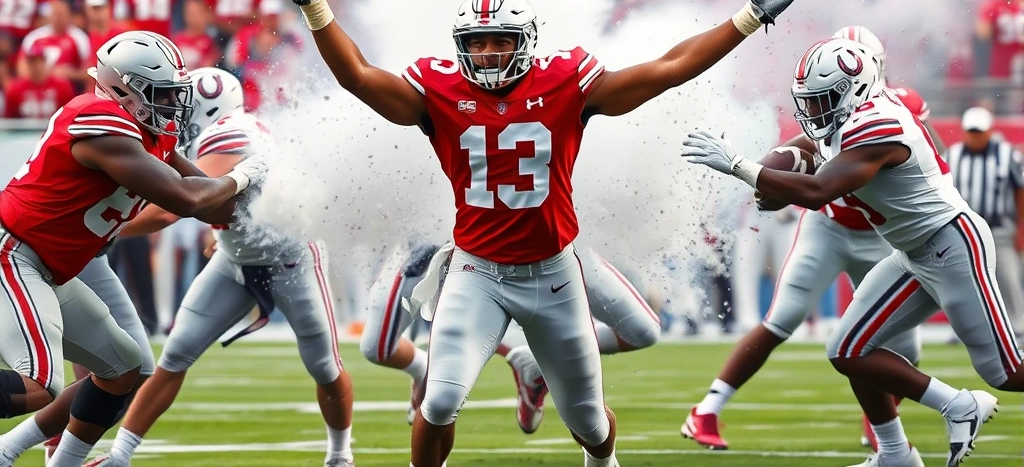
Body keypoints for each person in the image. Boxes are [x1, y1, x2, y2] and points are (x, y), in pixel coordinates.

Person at [259, 0, 818, 467]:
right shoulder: (440, 88)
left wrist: (748, 18)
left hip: (553, 273)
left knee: (589, 422)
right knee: (441, 399)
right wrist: (315, 5)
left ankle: (602, 462)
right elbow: (358, 75)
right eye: (477, 45)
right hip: (475, 271)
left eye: (501, 43)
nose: (489, 56)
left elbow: (669, 67)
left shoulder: (566, 81)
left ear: (526, 41)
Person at [683, 37, 1023, 467]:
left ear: (855, 89)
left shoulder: (877, 123)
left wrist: (740, 165)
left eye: (823, 99)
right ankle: (900, 452)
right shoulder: (849, 120)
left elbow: (820, 189)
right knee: (848, 350)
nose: (815, 110)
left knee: (1006, 373)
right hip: (912, 251)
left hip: (951, 243)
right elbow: (805, 156)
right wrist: (767, 176)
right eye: (810, 100)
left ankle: (958, 406)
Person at [0, 31, 263, 467]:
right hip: (14, 253)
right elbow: (186, 199)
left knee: (125, 368)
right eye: (161, 94)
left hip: (51, 267)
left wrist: (259, 185)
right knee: (39, 385)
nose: (171, 105)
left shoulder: (146, 133)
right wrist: (245, 175)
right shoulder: (99, 120)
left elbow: (212, 204)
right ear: (124, 89)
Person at [86, 67, 355, 467]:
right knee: (175, 354)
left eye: (182, 101)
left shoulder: (224, 133)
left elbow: (173, 210)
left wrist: (99, 230)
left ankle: (340, 455)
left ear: (208, 106)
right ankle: (120, 456)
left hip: (290, 261)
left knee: (324, 365)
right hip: (233, 258)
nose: (174, 108)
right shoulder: (238, 128)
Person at [683, 25, 933, 455]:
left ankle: (880, 424)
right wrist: (769, 178)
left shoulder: (899, 111)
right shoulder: (829, 112)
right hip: (831, 228)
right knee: (783, 318)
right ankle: (707, 408)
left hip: (881, 237)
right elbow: (801, 153)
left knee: (906, 345)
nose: (825, 97)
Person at [360, 241, 660, 431]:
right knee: (378, 347)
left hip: (552, 248)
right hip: (456, 252)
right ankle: (427, 368)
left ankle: (535, 361)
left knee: (642, 330)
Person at [947, 107, 1024, 336]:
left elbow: (1020, 191)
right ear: (964, 132)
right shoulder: (953, 155)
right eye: (971, 131)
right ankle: (966, 329)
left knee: (1007, 278)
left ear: (990, 131)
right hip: (964, 229)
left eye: (979, 132)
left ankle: (1016, 326)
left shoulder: (1007, 154)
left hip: (999, 228)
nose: (975, 136)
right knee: (963, 280)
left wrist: (1020, 228)